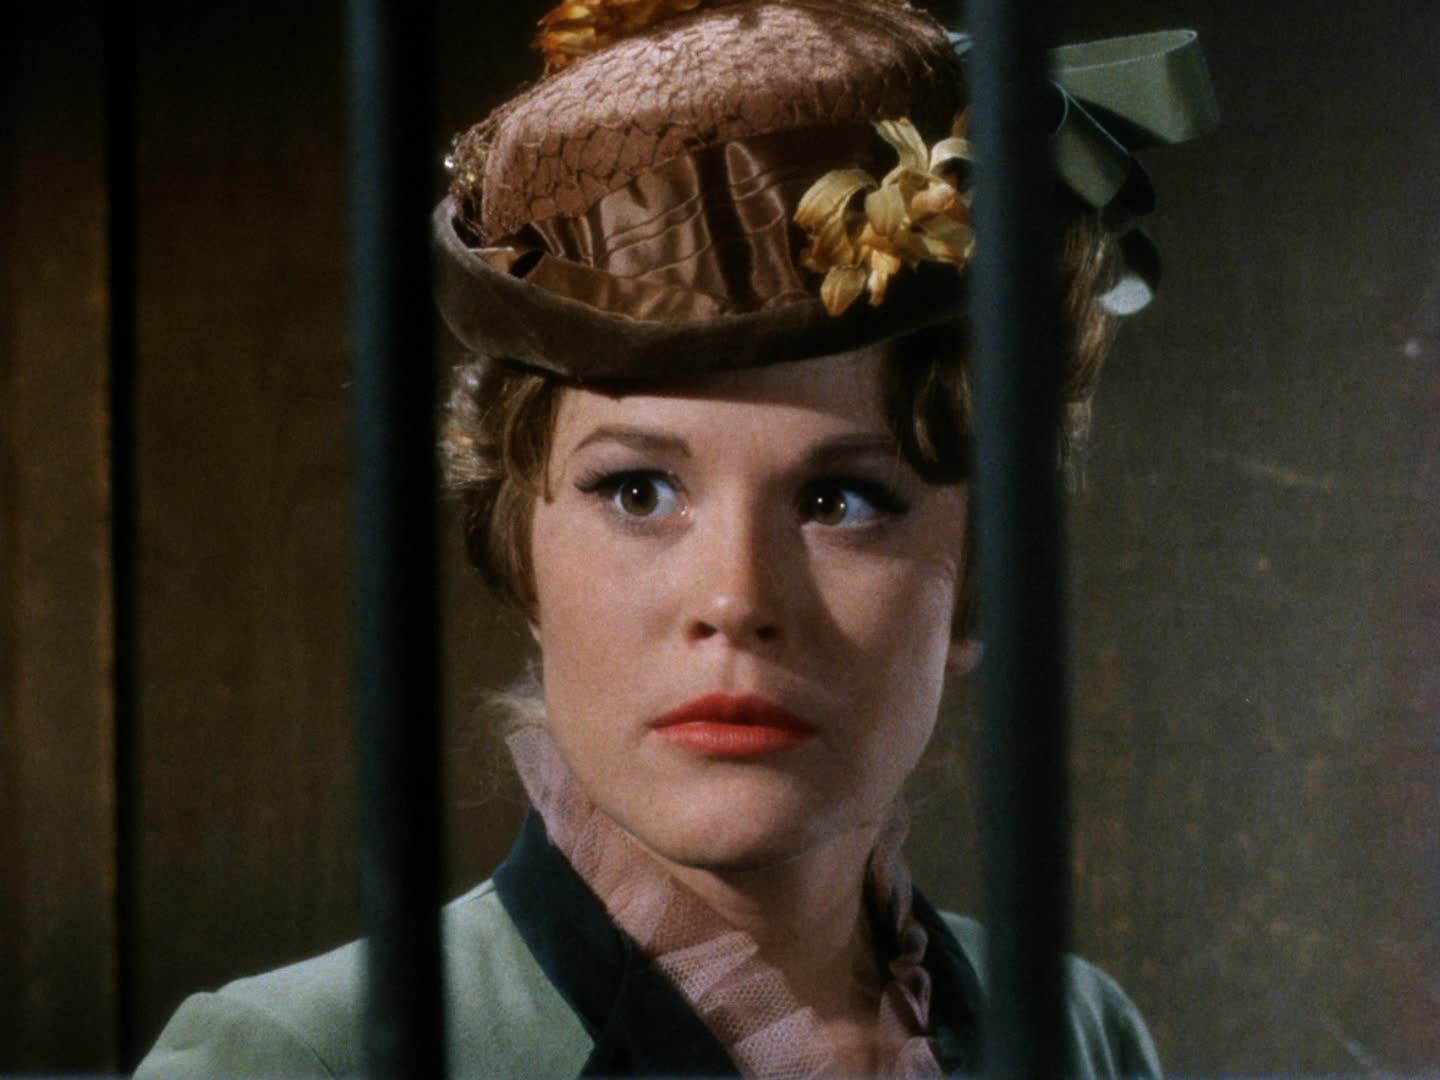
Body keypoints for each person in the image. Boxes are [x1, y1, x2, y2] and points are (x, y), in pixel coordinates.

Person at [137, 1, 1216, 1075]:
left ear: (981, 576)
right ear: (521, 550)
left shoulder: (1080, 1034)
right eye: (639, 491)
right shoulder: (295, 1059)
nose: (735, 598)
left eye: (840, 502)